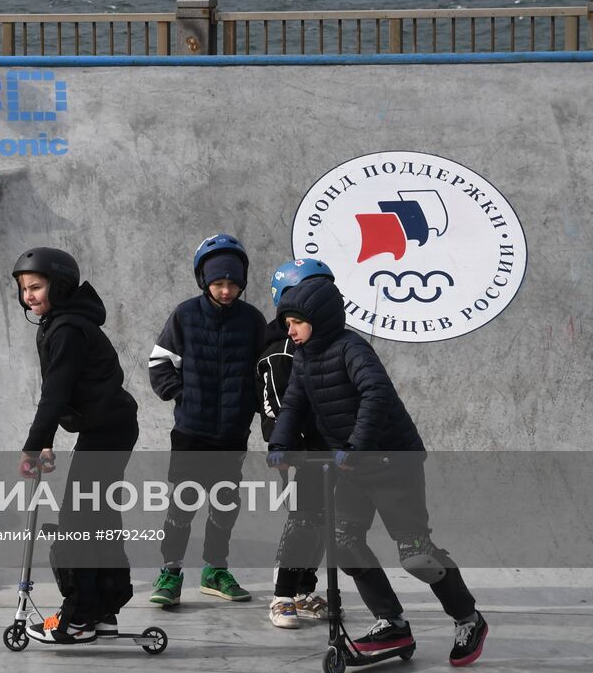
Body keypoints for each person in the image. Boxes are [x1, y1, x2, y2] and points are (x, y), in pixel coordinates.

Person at [270, 276, 489, 667]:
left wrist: (357, 445)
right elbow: (293, 404)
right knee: (343, 543)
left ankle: (468, 618)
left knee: (416, 556)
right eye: (287, 322)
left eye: (295, 322)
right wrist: (280, 445)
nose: (289, 330)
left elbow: (376, 392)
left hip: (391, 461)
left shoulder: (351, 348)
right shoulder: (303, 358)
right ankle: (392, 623)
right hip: (352, 466)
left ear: (318, 318)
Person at [11, 247, 139, 645]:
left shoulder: (66, 329)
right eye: (24, 288)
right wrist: (46, 442)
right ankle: (102, 610)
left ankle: (79, 619)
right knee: (95, 520)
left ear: (60, 286)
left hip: (107, 433)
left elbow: (54, 395)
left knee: (79, 524)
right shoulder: (58, 323)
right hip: (108, 429)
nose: (29, 294)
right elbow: (62, 395)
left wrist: (33, 446)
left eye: (37, 286)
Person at [147, 233, 266, 607]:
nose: (226, 290)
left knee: (225, 504)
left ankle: (215, 569)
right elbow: (159, 361)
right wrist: (178, 392)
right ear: (203, 281)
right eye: (218, 283)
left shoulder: (253, 321)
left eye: (233, 283)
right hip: (190, 432)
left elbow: (265, 370)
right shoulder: (185, 315)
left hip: (232, 432)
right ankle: (170, 571)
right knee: (182, 504)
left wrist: (261, 407)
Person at [257, 258, 336, 629]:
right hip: (298, 450)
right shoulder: (280, 351)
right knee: (302, 520)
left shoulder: (326, 345)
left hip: (329, 449)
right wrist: (283, 447)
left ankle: (304, 591)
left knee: (322, 521)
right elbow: (276, 404)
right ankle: (282, 595)